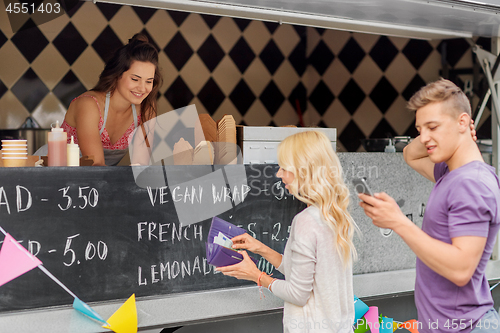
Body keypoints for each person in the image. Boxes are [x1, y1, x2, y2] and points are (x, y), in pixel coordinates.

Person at [358, 79, 500, 333]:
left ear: (462, 121)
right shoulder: (450, 172)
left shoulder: (471, 184)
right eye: (419, 129)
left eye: (433, 127)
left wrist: (398, 222)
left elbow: (461, 269)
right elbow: (410, 154)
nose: (424, 138)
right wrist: (453, 130)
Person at [217, 130, 358, 333]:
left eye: (285, 167)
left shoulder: (306, 221)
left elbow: (297, 293)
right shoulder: (334, 215)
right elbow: (303, 274)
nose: (279, 174)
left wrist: (256, 275)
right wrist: (261, 248)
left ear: (304, 170)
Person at [37, 33, 162, 166]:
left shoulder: (146, 108)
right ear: (117, 75)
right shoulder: (89, 105)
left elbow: (140, 166)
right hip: (47, 173)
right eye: (135, 79)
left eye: (149, 81)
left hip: (94, 182)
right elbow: (96, 165)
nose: (142, 88)